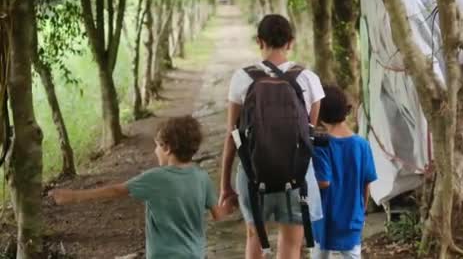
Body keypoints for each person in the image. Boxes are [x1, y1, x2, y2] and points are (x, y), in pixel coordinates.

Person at [49, 116, 235, 259]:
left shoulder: (155, 178)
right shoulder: (202, 177)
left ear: (168, 148)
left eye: (157, 146)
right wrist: (229, 205)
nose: (155, 151)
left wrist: (73, 197)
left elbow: (116, 191)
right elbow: (218, 215)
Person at [219, 14, 325, 259]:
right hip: (297, 175)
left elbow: (232, 135)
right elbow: (308, 131)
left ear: (259, 41)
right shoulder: (308, 79)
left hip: (254, 173)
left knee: (255, 238)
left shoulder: (242, 78)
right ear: (290, 42)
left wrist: (225, 184)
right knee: (291, 244)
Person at [311, 85, 378, 259]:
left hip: (325, 220)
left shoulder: (321, 145)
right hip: (352, 218)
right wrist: (361, 211)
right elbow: (366, 185)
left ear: (320, 114)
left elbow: (323, 181)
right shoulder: (363, 145)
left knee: (319, 254)